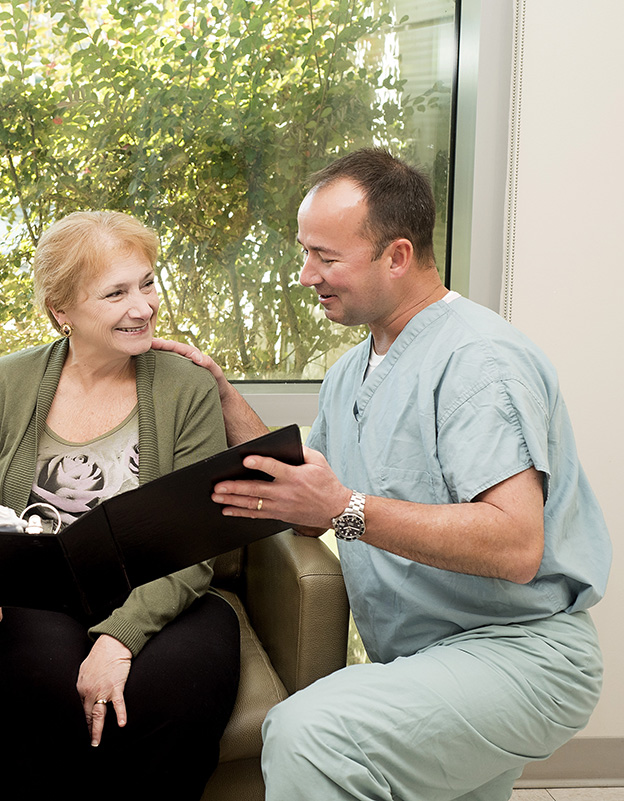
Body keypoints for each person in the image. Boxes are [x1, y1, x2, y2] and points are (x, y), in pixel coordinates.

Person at [156, 148, 610, 800]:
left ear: (397, 256)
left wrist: (346, 510)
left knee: (312, 735)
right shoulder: (351, 372)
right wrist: (225, 399)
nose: (306, 274)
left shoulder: (478, 362)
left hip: (519, 653)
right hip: (431, 663)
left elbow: (516, 545)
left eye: (326, 257)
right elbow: (312, 495)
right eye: (305, 252)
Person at [0, 211, 241, 800]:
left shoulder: (188, 387)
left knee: (176, 691)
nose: (144, 306)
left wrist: (119, 637)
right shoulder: (3, 382)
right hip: (27, 598)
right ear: (62, 311)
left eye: (147, 283)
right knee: (39, 684)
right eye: (116, 293)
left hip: (162, 592)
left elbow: (194, 543)